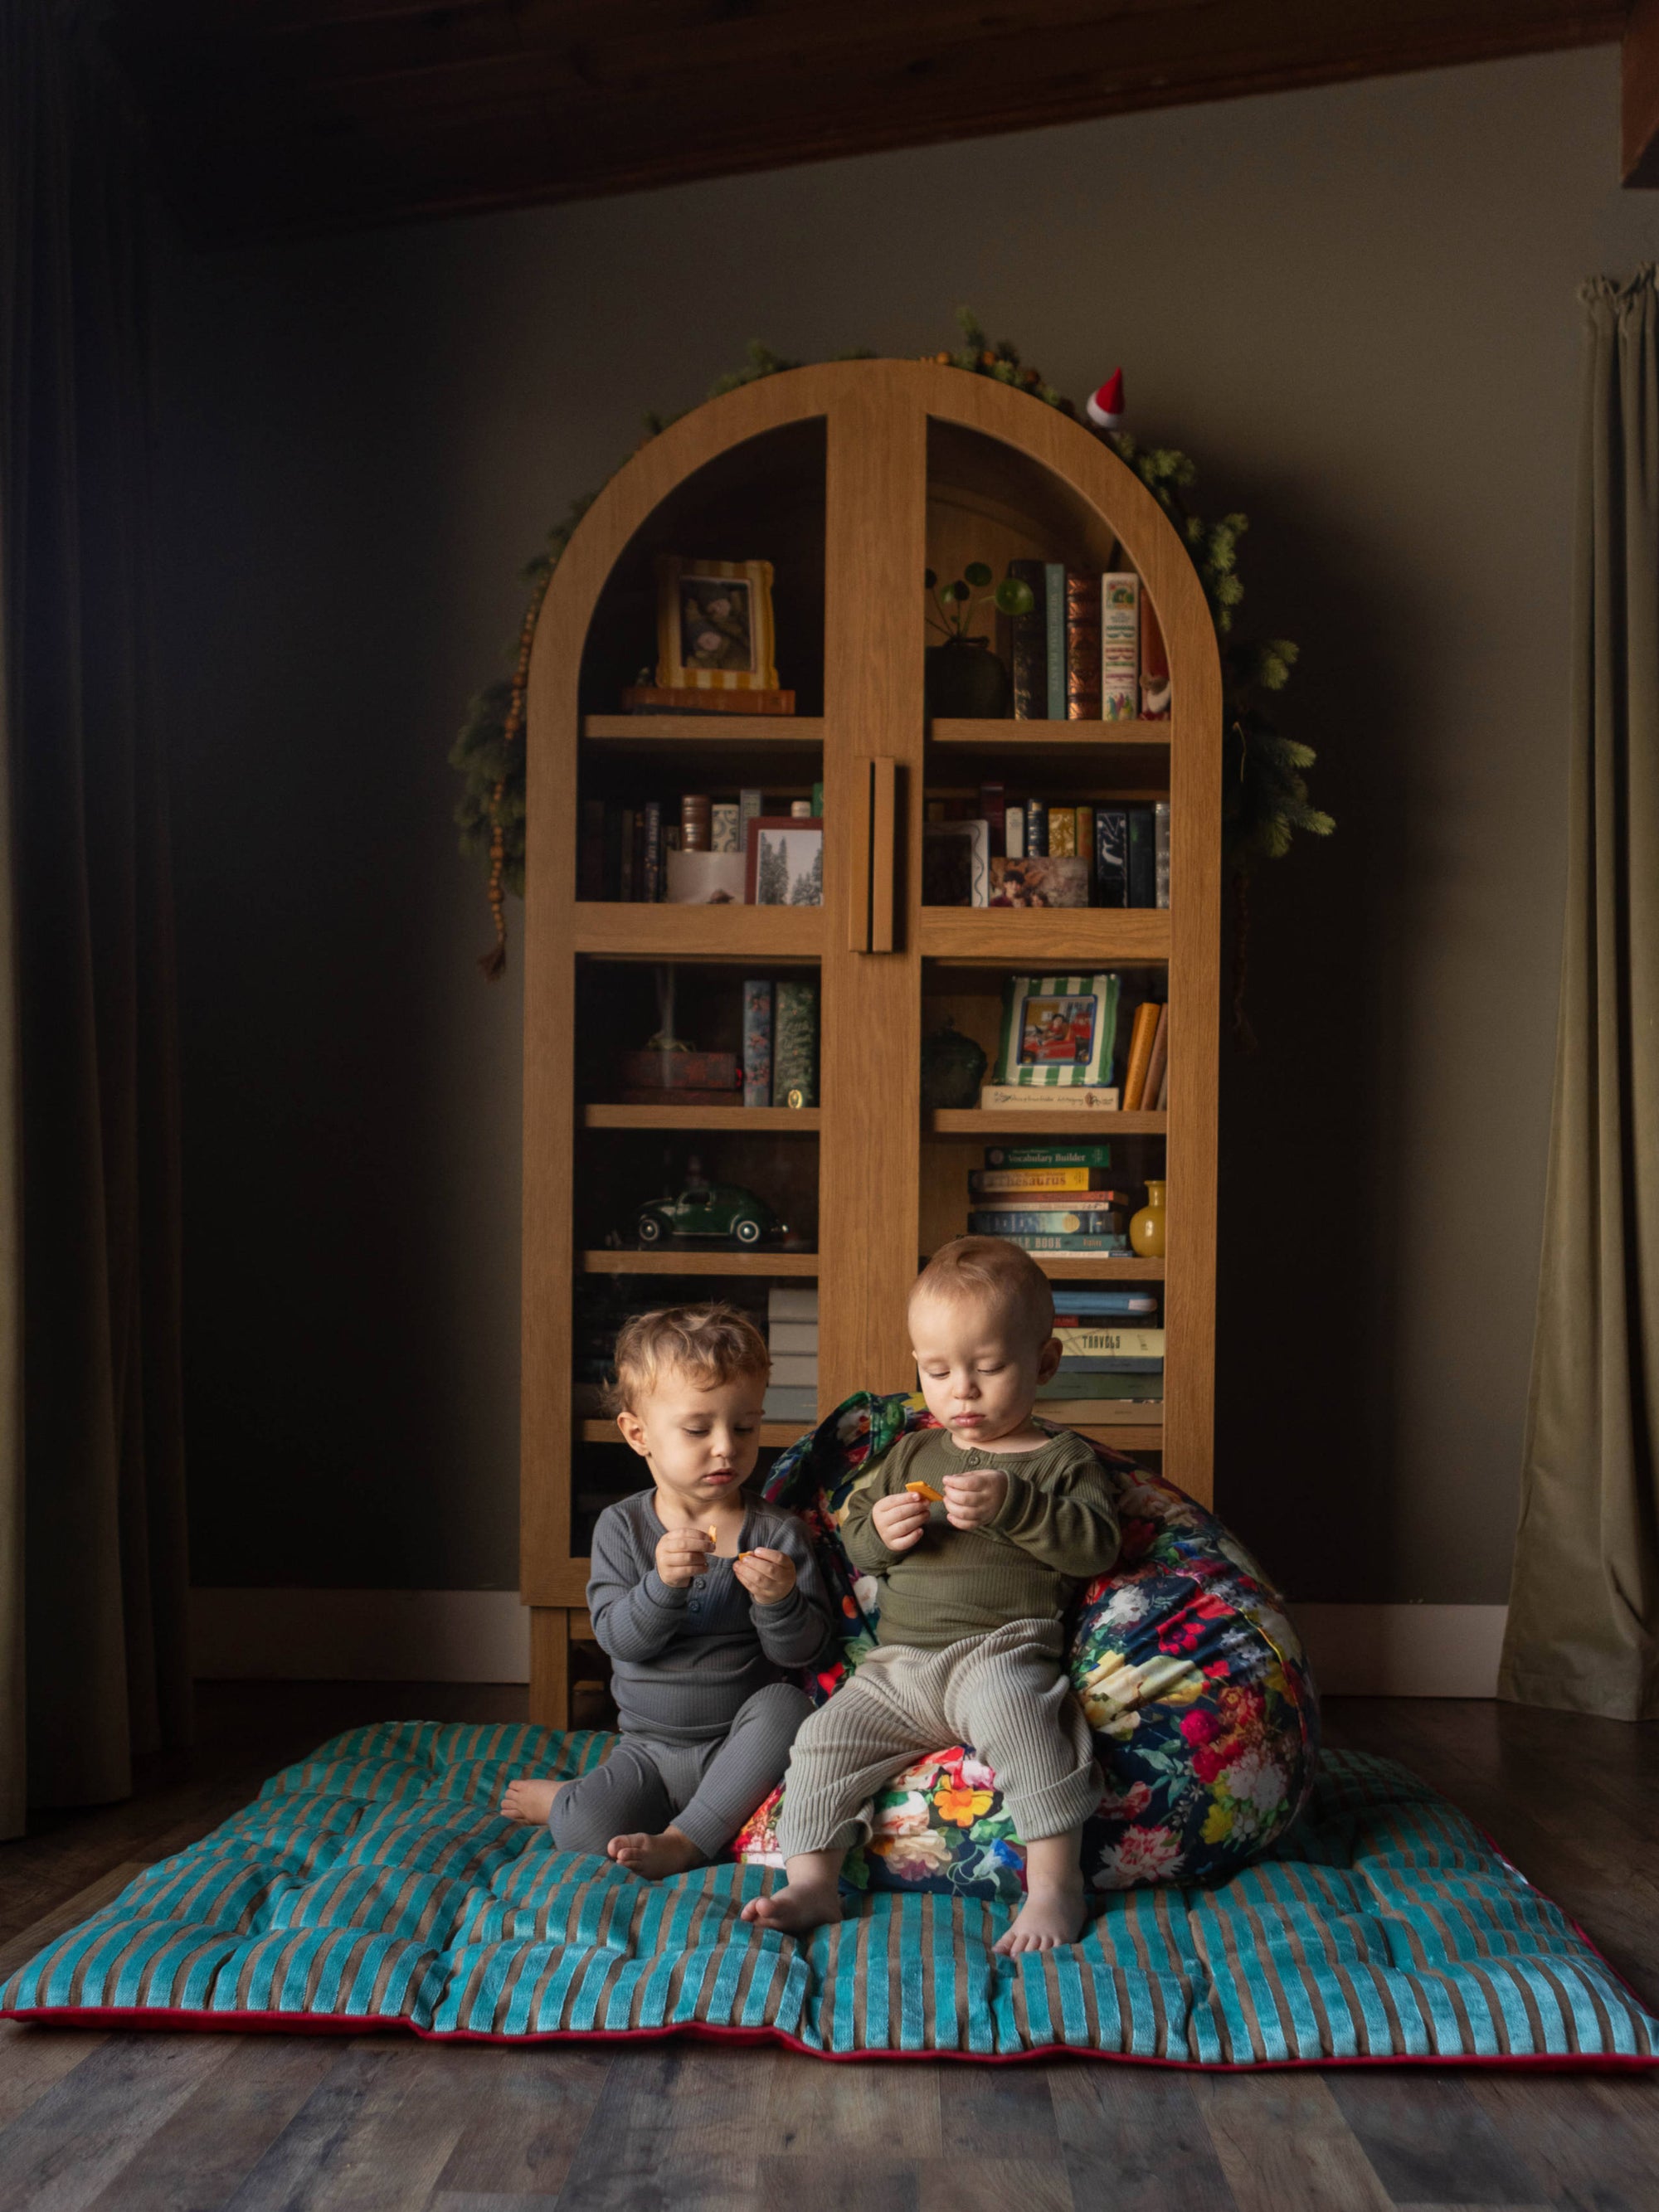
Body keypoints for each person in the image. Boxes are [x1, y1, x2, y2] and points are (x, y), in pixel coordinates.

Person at [741, 1237, 1118, 1953]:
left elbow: (1096, 1545)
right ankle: (814, 1880)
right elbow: (854, 1541)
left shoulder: (1061, 1459)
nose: (962, 1392)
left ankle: (1054, 1887)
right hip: (898, 1665)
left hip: (1000, 1652)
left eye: (988, 1368)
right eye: (938, 1371)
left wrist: (1017, 1505)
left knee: (1031, 1729)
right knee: (821, 1741)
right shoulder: (911, 1452)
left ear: (1044, 1362)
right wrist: (879, 1528)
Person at [502, 1304, 834, 1876]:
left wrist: (779, 1600)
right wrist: (662, 1585)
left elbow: (803, 1653)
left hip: (738, 1745)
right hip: (648, 1751)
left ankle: (686, 1837)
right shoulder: (623, 1528)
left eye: (745, 1426)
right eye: (698, 1429)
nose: (726, 1447)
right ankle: (567, 1799)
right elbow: (618, 1638)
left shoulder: (777, 1531)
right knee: (582, 1830)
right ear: (639, 1434)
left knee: (789, 1707)